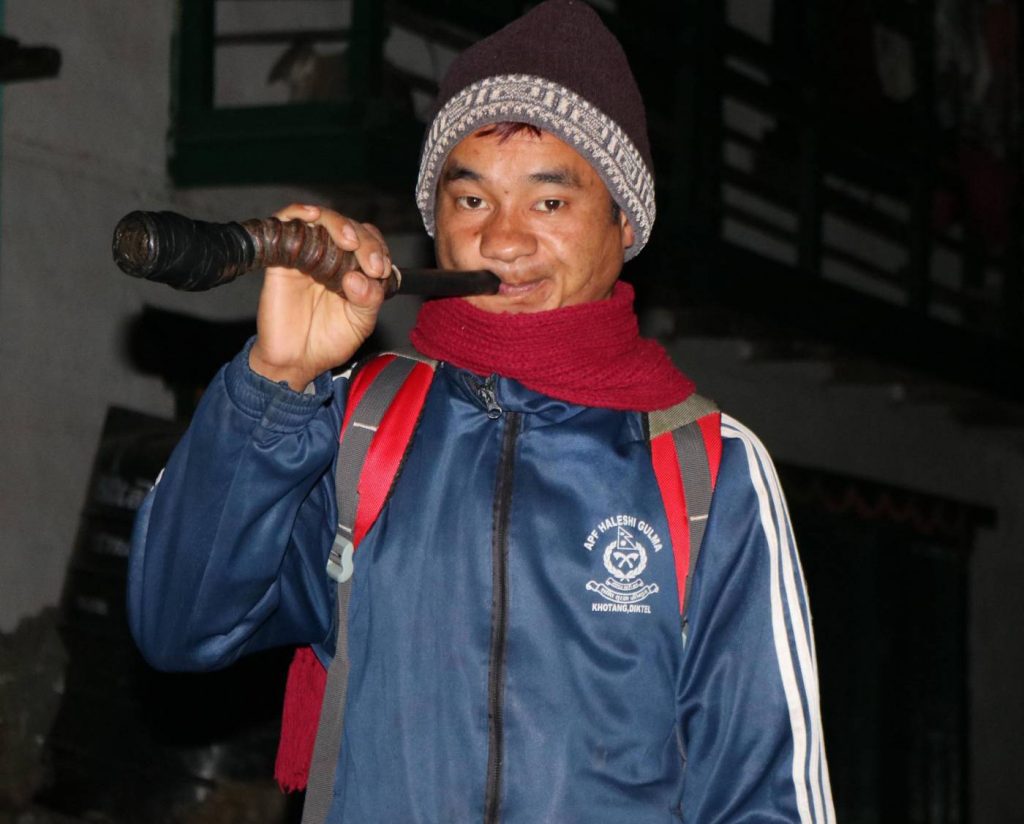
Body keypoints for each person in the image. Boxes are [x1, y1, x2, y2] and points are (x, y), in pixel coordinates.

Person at [128, 1, 835, 821]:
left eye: (549, 203)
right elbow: (179, 627)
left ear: (625, 221)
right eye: (470, 201)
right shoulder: (357, 430)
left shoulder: (710, 468)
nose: (502, 242)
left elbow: (766, 795)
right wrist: (276, 381)